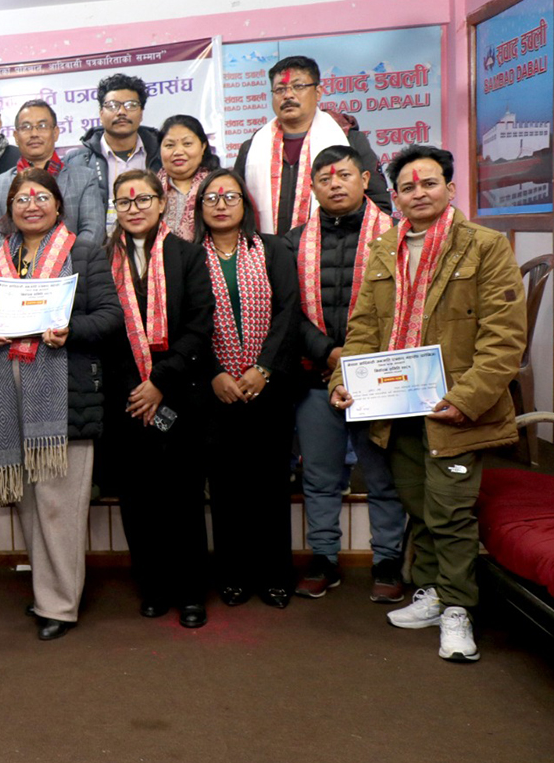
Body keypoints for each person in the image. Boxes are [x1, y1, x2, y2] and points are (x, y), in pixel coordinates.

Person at [330, 144, 526, 663]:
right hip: (396, 409)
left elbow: (504, 339)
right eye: (408, 187)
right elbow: (363, 329)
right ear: (395, 197)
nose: (419, 193)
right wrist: (343, 379)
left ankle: (459, 609)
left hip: (456, 410)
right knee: (418, 505)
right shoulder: (384, 249)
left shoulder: (484, 247)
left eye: (429, 183)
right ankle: (434, 592)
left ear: (450, 189)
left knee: (451, 510)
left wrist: (465, 400)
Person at [0, 168, 121, 640]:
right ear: (10, 209)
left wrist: (70, 330)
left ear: (59, 205)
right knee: (29, 505)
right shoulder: (1, 256)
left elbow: (110, 316)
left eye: (41, 197)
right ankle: (47, 592)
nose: (32, 205)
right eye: (22, 199)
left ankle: (60, 606)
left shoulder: (83, 252)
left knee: (60, 508)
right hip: (9, 390)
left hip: (63, 392)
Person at [284, 147, 407, 602]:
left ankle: (388, 560)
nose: (335, 184)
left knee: (382, 476)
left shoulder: (396, 236)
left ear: (365, 179)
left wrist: (358, 359)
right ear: (312, 187)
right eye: (324, 178)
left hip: (378, 377)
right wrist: (329, 352)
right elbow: (288, 311)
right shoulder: (294, 242)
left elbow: (406, 307)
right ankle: (324, 558)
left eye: (344, 176)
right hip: (316, 373)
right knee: (320, 477)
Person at [101, 170, 214, 628]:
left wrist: (159, 382)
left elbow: (200, 325)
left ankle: (190, 593)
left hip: (178, 393)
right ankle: (153, 586)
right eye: (125, 202)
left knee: (183, 497)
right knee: (138, 499)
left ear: (162, 202)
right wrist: (137, 388)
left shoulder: (187, 254)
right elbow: (103, 329)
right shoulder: (102, 258)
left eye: (143, 199)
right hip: (127, 398)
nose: (134, 209)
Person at [194, 170, 300, 609]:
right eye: (211, 198)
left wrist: (264, 368)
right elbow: (188, 322)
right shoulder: (189, 257)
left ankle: (275, 575)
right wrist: (216, 372)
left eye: (230, 196)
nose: (221, 205)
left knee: (270, 485)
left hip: (268, 387)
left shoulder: (272, 249)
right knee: (226, 488)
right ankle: (233, 575)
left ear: (245, 203)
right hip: (215, 390)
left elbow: (289, 311)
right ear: (199, 207)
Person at [233, 55, 390, 234]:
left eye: (298, 86)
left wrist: (348, 243)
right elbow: (236, 206)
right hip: (267, 249)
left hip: (336, 247)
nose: (288, 95)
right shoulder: (252, 148)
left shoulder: (350, 140)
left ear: (318, 92)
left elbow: (379, 204)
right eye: (280, 89)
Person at [0, 100, 104, 255]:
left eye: (42, 126)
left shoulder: (84, 178)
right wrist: (23, 262)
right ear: (16, 136)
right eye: (26, 127)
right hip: (16, 268)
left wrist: (61, 262)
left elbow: (94, 229)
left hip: (74, 266)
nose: (34, 134)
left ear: (56, 132)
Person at [66, 73, 164, 210]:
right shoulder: (77, 162)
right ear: (101, 113)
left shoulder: (162, 155)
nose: (121, 112)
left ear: (141, 113)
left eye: (131, 105)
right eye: (112, 105)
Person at [155, 114, 220, 241]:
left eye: (187, 144)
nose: (178, 152)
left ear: (203, 147)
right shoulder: (150, 189)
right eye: (169, 145)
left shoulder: (218, 185)